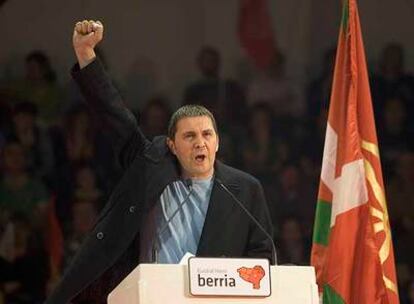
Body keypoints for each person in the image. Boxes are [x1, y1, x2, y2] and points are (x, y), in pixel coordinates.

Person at [45, 20, 274, 304]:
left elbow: (262, 258)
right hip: (146, 296)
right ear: (172, 145)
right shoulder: (151, 166)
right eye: (189, 136)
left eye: (206, 134)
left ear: (218, 142)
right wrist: (85, 54)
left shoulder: (244, 189)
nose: (200, 142)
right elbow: (114, 115)